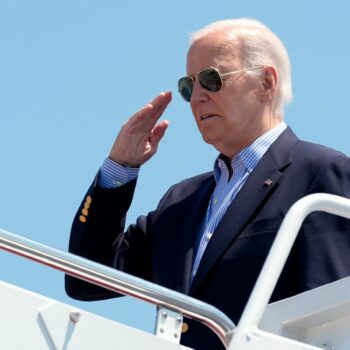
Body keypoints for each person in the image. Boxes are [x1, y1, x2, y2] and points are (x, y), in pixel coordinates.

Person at [65, 18, 350, 350]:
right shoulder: (180, 201)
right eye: (189, 86)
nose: (196, 97)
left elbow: (332, 319)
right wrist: (120, 169)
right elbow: (86, 280)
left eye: (212, 80)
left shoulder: (322, 174)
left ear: (266, 82)